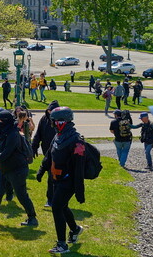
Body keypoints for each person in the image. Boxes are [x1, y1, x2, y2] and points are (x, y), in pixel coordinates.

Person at [36, 107, 86, 254]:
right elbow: (49, 155)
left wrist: (79, 191)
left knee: (56, 207)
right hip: (56, 179)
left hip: (68, 181)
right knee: (62, 207)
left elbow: (79, 169)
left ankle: (62, 244)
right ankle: (76, 229)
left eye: (54, 121)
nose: (52, 124)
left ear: (62, 122)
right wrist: (41, 170)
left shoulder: (77, 141)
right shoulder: (58, 135)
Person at [0, 110, 38, 227]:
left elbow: (6, 153)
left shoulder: (13, 134)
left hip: (17, 169)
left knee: (21, 195)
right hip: (5, 169)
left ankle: (32, 218)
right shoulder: (3, 132)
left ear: (5, 121)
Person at [32, 100, 59, 207]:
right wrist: (34, 147)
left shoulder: (59, 121)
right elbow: (38, 134)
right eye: (49, 111)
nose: (50, 113)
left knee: (55, 176)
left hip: (58, 152)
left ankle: (56, 198)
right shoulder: (44, 119)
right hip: (47, 152)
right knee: (50, 175)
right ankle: (50, 199)